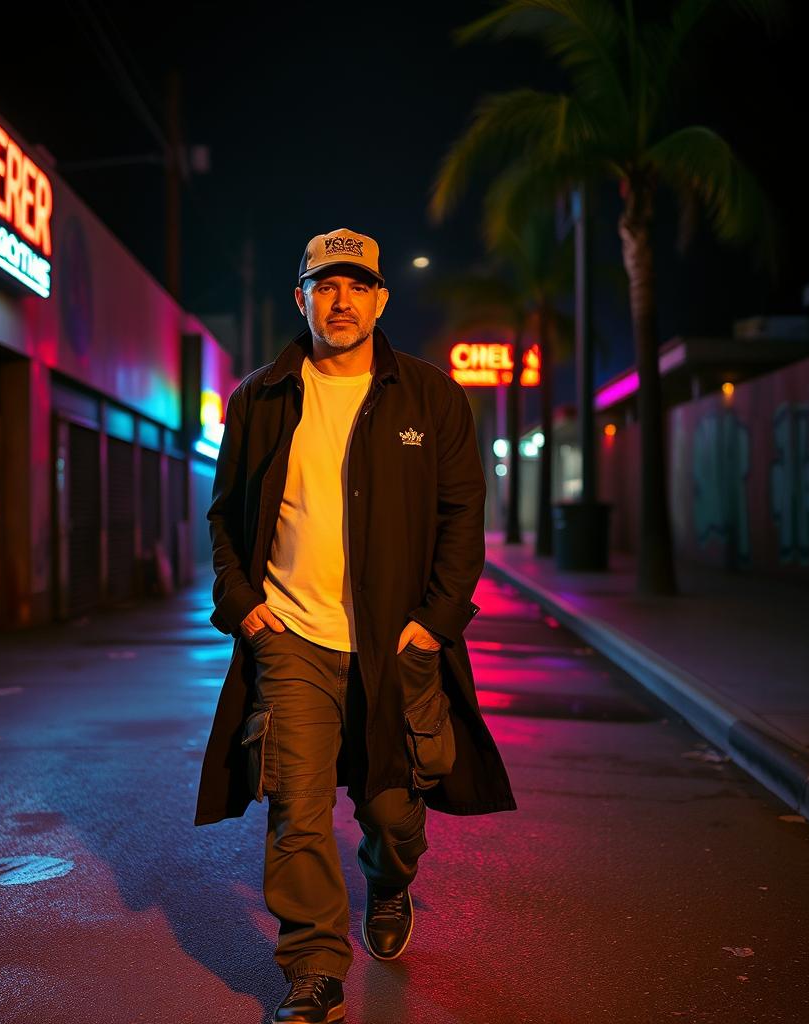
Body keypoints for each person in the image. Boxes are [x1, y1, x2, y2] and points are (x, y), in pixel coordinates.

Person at [194, 228, 516, 1024]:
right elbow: (225, 515)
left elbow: (461, 514)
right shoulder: (259, 398)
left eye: (357, 286)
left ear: (380, 299)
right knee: (295, 807)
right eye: (323, 285)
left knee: (391, 809)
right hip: (292, 638)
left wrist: (436, 623)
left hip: (394, 644)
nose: (341, 300)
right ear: (300, 296)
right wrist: (243, 607)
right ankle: (312, 967)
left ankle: (391, 875)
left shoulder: (429, 394)